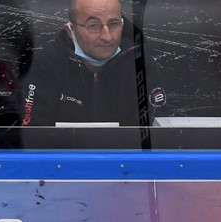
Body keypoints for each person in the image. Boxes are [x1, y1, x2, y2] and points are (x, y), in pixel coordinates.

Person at [18, 0, 168, 127]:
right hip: (61, 160)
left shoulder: (139, 64)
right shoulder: (45, 65)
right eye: (93, 25)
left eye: (114, 24)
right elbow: (31, 133)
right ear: (70, 30)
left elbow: (157, 132)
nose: (107, 37)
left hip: (125, 160)